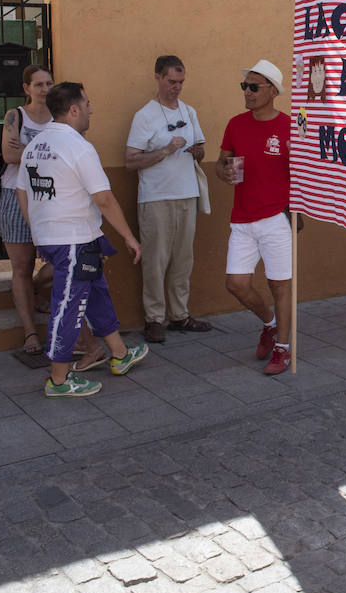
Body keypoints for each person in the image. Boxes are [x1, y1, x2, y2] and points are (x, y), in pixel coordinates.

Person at [16, 82, 148, 397]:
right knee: (69, 306)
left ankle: (119, 354)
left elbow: (23, 191)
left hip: (68, 237)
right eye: (87, 103)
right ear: (74, 109)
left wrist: (37, 229)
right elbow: (103, 198)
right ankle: (59, 380)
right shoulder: (78, 146)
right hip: (73, 239)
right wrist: (130, 237)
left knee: (96, 292)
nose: (91, 109)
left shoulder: (36, 144)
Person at [216, 60, 295, 375]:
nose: (247, 92)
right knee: (236, 283)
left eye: (253, 86)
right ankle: (269, 323)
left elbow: (304, 174)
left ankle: (283, 349)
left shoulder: (289, 126)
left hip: (276, 217)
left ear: (273, 91)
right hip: (242, 218)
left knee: (281, 287)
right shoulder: (235, 124)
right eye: (244, 86)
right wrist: (223, 172)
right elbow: (221, 163)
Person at [125, 54, 211, 343]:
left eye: (181, 82)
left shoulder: (188, 112)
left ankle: (179, 314)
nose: (177, 87)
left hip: (186, 193)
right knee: (155, 260)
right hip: (156, 197)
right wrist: (164, 151)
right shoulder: (144, 115)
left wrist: (195, 151)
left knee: (183, 259)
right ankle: (154, 318)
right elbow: (130, 161)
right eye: (172, 81)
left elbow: (201, 147)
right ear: (158, 78)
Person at [0, 65, 54, 354]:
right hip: (14, 195)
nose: (44, 90)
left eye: (48, 84)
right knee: (21, 266)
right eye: (38, 84)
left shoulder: (59, 117)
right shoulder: (15, 116)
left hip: (52, 198)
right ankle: (30, 332)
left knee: (59, 262)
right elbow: (9, 155)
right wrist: (47, 153)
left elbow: (67, 154)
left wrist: (28, 150)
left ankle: (31, 290)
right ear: (26, 88)